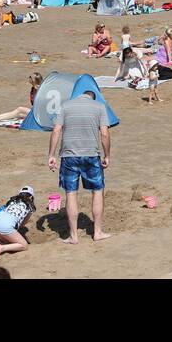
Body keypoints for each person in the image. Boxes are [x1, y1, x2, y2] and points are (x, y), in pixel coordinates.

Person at [47, 89, 112, 244]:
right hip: (91, 155)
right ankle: (97, 232)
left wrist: (51, 155)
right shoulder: (99, 106)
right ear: (92, 97)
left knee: (71, 194)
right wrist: (107, 155)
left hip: (69, 156)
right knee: (97, 191)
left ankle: (73, 236)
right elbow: (104, 134)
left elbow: (56, 130)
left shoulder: (66, 105)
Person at [0, 186, 36, 259]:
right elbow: (22, 224)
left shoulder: (12, 200)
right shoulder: (30, 206)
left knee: (10, 243)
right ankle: (1, 247)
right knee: (24, 246)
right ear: (31, 197)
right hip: (5, 226)